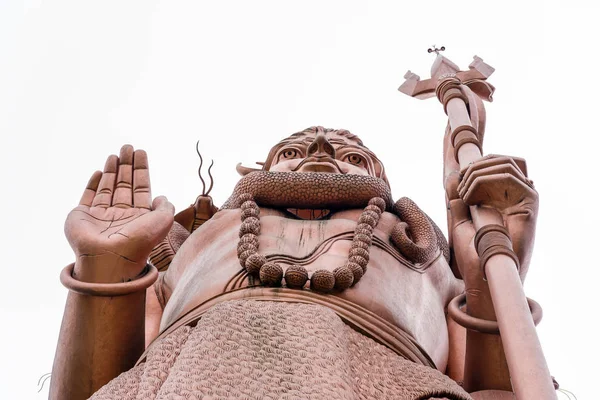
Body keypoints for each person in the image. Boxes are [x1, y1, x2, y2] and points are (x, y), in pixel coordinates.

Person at [50, 126, 538, 400]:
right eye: (290, 151)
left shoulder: (420, 244)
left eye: (353, 156)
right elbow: (95, 389)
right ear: (262, 171)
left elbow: (492, 394)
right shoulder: (197, 243)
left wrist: (488, 288)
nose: (321, 154)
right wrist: (106, 268)